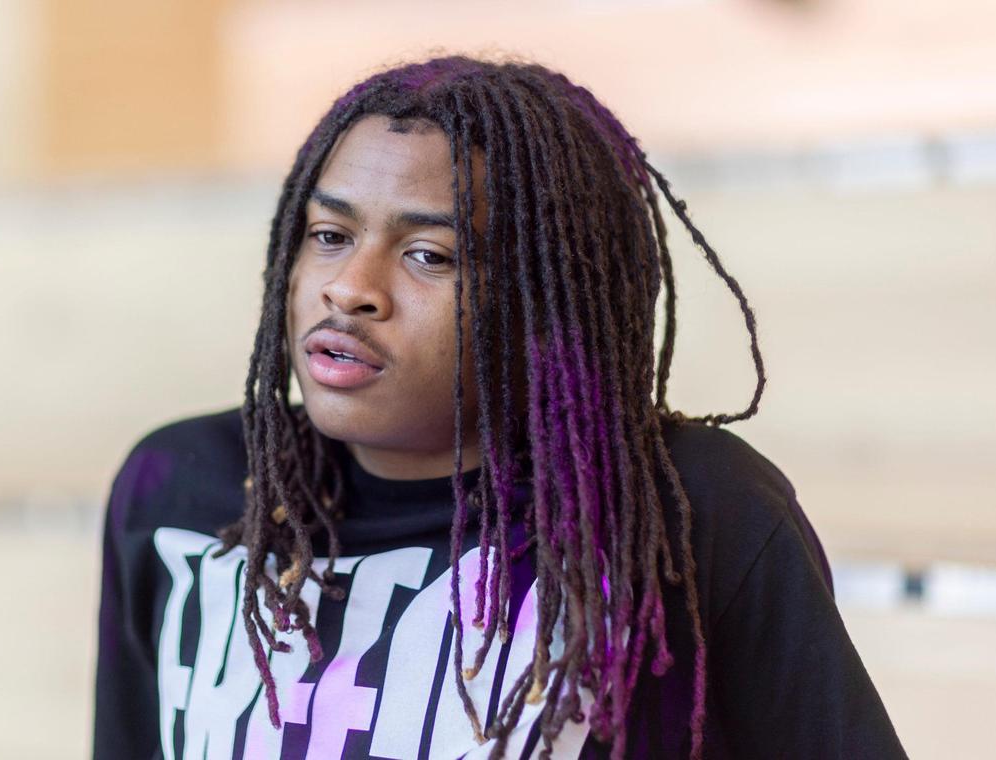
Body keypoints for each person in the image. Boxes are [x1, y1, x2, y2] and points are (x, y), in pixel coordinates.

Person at [93, 56, 907, 759]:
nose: (349, 289)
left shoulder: (685, 511)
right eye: (330, 235)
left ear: (546, 303)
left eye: (429, 254)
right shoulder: (185, 489)